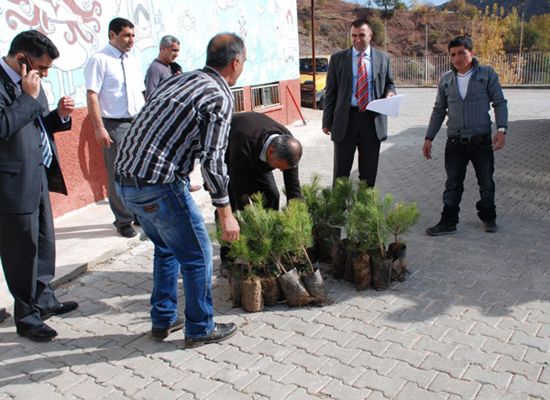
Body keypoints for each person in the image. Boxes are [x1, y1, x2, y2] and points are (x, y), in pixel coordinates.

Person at [114, 33, 245, 347]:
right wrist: (224, 211)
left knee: (166, 248)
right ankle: (199, 328)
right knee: (198, 256)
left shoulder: (178, 80)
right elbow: (214, 159)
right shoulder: (219, 94)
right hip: (159, 185)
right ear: (236, 63)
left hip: (124, 181)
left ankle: (163, 320)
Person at [0, 30, 78, 342]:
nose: (44, 75)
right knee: (21, 251)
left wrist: (59, 115)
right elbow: (4, 125)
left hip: (39, 172)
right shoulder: (16, 85)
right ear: (22, 59)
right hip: (12, 181)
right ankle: (26, 316)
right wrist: (27, 97)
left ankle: (44, 300)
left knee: (44, 243)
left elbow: (39, 121)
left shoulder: (31, 82)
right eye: (42, 68)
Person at [423, 36, 508, 236]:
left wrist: (502, 130)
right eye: (453, 54)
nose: (457, 58)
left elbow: (500, 103)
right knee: (453, 183)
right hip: (455, 143)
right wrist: (429, 138)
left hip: (481, 141)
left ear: (472, 53)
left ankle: (488, 216)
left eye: (462, 52)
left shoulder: (486, 75)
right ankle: (448, 221)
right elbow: (438, 110)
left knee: (486, 182)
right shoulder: (446, 80)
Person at [85, 17, 145, 238]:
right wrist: (99, 127)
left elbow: (140, 93)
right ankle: (123, 219)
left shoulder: (132, 60)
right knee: (118, 174)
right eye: (126, 35)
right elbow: (92, 95)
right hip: (114, 124)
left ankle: (138, 212)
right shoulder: (99, 60)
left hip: (137, 122)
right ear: (112, 35)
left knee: (137, 170)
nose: (131, 40)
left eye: (133, 35)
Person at [322, 18, 396, 187]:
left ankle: (364, 211)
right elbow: (331, 92)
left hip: (372, 120)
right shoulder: (338, 59)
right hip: (345, 120)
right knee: (341, 174)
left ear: (370, 35)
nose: (357, 40)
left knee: (368, 173)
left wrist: (390, 94)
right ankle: (338, 211)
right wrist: (327, 121)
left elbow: (389, 84)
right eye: (353, 36)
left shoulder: (383, 59)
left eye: (361, 35)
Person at [227, 112, 302, 212]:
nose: (281, 170)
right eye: (279, 166)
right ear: (271, 151)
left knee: (271, 195)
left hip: (258, 154)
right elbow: (239, 184)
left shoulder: (289, 146)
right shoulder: (243, 144)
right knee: (231, 203)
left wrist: (297, 214)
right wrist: (247, 212)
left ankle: (269, 224)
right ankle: (222, 222)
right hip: (229, 151)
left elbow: (293, 187)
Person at [144, 35, 181, 99]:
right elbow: (150, 97)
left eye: (177, 51)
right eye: (174, 50)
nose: (176, 55)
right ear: (162, 49)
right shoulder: (155, 68)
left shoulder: (173, 67)